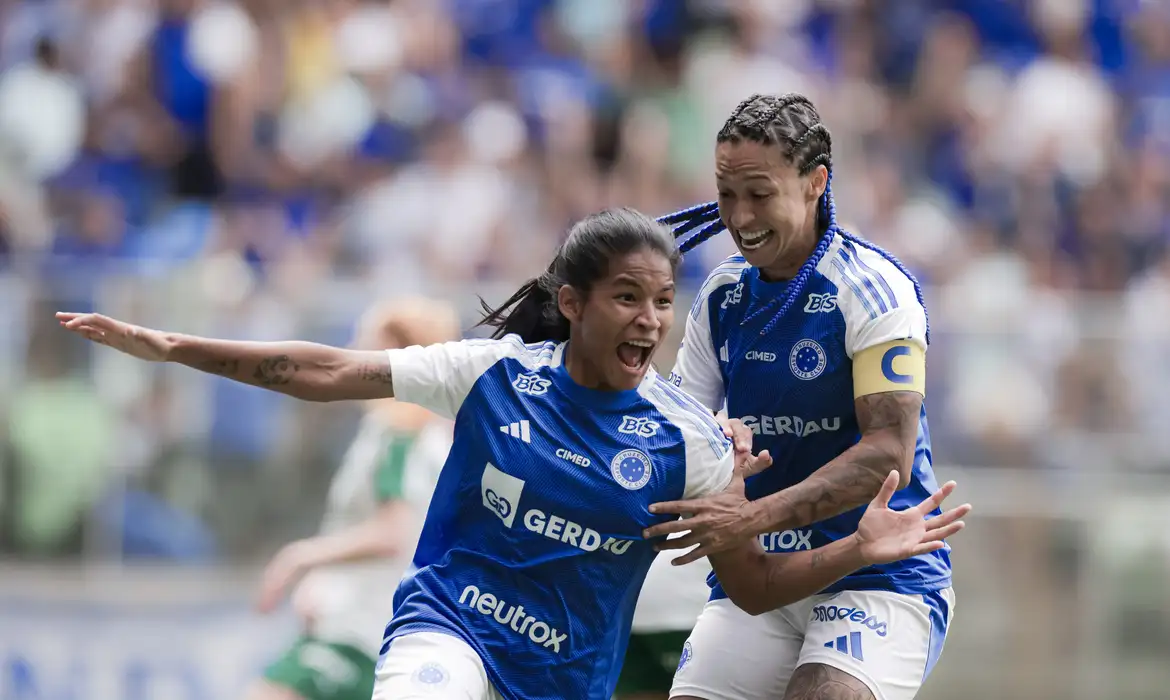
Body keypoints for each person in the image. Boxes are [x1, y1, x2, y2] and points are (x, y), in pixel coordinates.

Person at [57, 207, 969, 700]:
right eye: (626, 298)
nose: (651, 320)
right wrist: (176, 348)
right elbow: (322, 369)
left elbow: (755, 586)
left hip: (565, 680)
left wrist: (859, 549)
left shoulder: (688, 441)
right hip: (450, 631)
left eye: (661, 301)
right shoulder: (491, 374)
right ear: (571, 303)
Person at [645, 93, 955, 700]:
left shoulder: (873, 290)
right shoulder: (720, 296)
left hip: (878, 573)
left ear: (817, 182)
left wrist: (750, 515)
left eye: (759, 194)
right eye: (726, 194)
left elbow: (887, 453)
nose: (739, 216)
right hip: (761, 577)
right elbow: (675, 431)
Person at [244, 298, 460, 700]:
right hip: (369, 628)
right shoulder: (425, 436)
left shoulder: (399, 433)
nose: (349, 349)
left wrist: (302, 556)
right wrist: (325, 583)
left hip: (360, 634)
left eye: (364, 341)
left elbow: (392, 532)